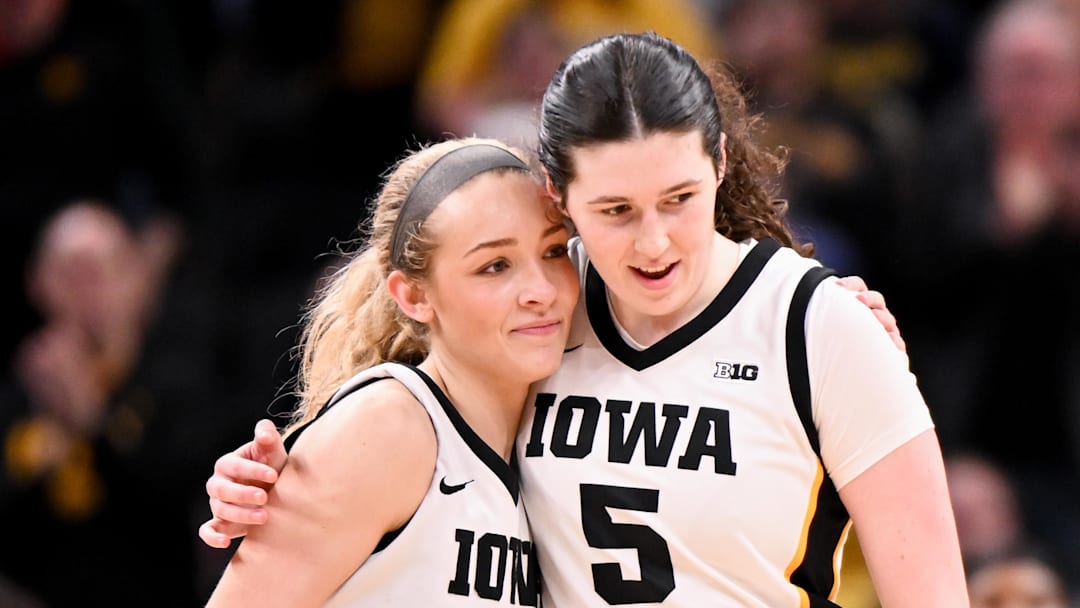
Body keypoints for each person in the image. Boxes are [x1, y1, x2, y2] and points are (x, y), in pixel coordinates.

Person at [200, 32, 965, 606]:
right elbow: (411, 407)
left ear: (721, 164)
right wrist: (273, 477)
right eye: (616, 211)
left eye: (678, 199)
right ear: (560, 200)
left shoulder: (816, 327)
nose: (654, 241)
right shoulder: (546, 310)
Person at [204, 137, 575, 606]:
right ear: (415, 296)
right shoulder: (387, 428)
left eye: (554, 251)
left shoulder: (536, 451)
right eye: (495, 265)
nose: (540, 290)